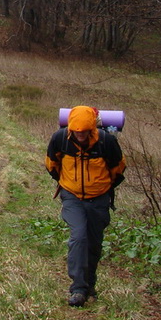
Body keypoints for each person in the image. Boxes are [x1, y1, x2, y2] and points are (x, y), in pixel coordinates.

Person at [45, 105, 126, 307]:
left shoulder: (107, 142)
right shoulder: (60, 139)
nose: (80, 135)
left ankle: (90, 285)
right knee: (79, 237)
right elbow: (51, 165)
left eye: (84, 131)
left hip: (99, 199)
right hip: (72, 197)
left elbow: (118, 169)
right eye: (76, 131)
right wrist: (67, 186)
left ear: (92, 128)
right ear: (71, 128)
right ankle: (78, 289)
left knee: (93, 243)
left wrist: (103, 189)